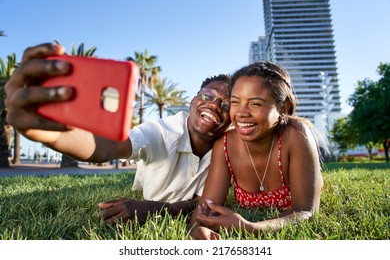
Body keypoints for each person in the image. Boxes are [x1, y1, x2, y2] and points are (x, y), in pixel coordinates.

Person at [4, 43, 232, 225]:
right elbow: (112, 145)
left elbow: (202, 202)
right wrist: (52, 135)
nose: (214, 105)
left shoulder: (230, 147)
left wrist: (165, 209)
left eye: (226, 105)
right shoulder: (163, 131)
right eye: (208, 96)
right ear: (192, 101)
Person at [189, 61, 324, 240]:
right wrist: (198, 229)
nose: (241, 113)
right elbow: (205, 209)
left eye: (255, 104)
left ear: (282, 109)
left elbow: (306, 211)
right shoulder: (224, 145)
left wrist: (250, 227)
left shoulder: (296, 135)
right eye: (235, 102)